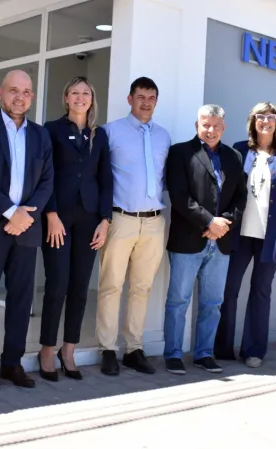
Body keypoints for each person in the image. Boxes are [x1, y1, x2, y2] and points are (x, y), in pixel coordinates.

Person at [0, 69, 54, 392]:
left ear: (32, 97)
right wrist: (9, 211)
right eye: (14, 90)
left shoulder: (41, 135)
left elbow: (47, 180)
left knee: (21, 297)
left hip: (27, 228)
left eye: (26, 92)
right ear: (0, 93)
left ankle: (12, 362)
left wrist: (26, 216)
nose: (20, 97)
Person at [214, 102, 276, 368]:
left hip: (272, 237)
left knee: (261, 291)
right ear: (252, 121)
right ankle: (222, 348)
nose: (266, 121)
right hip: (238, 235)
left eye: (271, 117)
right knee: (228, 290)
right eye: (260, 117)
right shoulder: (239, 150)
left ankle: (253, 350)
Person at [38, 77, 113, 382]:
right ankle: (47, 349)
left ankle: (68, 350)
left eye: (86, 93)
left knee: (80, 287)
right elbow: (45, 173)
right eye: (75, 93)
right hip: (58, 218)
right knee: (57, 284)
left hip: (89, 219)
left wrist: (105, 220)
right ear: (66, 97)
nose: (81, 97)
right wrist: (50, 213)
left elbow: (106, 179)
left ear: (91, 99)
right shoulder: (51, 130)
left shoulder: (99, 134)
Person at [163, 104, 246, 375]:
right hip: (188, 239)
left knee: (212, 303)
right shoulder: (180, 153)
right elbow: (179, 197)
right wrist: (210, 222)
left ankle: (204, 353)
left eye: (216, 126)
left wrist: (223, 225)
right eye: (206, 125)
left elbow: (240, 197)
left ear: (224, 128)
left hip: (220, 242)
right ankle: (173, 354)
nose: (211, 130)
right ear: (196, 125)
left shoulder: (234, 156)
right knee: (178, 301)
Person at [96, 77, 171, 376]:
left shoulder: (164, 137)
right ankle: (107, 349)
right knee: (111, 286)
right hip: (120, 219)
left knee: (142, 287)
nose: (146, 103)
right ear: (130, 99)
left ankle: (134, 348)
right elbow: (100, 177)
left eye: (151, 98)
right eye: (140, 97)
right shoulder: (110, 132)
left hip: (153, 222)